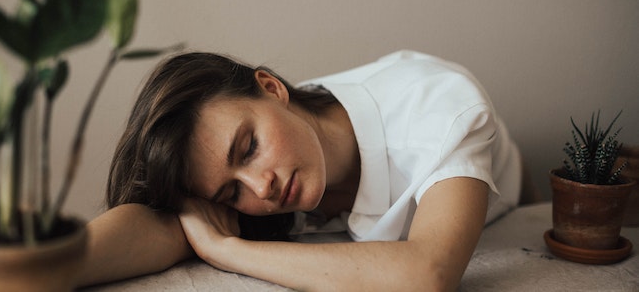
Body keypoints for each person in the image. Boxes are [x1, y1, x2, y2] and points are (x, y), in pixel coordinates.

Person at [78, 50, 531, 291]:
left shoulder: (435, 106)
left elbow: (429, 274)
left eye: (249, 147)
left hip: (516, 193)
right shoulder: (264, 178)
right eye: (230, 195)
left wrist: (227, 249)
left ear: (271, 88)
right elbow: (155, 222)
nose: (261, 188)